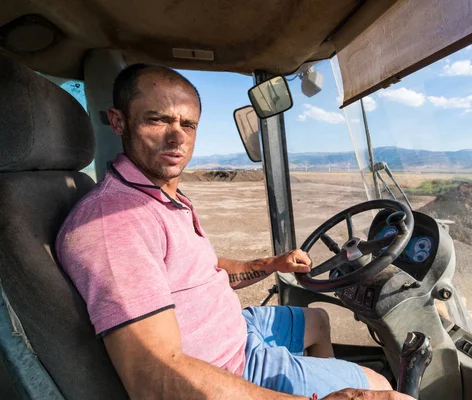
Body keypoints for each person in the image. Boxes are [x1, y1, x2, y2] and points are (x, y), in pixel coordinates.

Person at [56, 63, 414, 400]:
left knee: (318, 321)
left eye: (188, 124)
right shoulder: (113, 223)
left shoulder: (159, 196)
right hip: (231, 365)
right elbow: (153, 378)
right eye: (158, 120)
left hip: (237, 328)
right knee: (381, 385)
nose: (176, 137)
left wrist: (271, 263)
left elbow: (202, 272)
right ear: (118, 122)